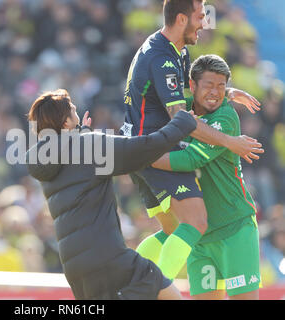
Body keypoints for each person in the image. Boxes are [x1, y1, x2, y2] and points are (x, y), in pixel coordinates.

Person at [121, 0, 263, 280]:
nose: (204, 23)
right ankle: (153, 290)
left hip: (140, 149)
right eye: (200, 17)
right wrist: (229, 141)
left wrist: (226, 91)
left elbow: (187, 91)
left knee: (174, 231)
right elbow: (182, 119)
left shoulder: (174, 50)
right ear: (183, 19)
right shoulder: (162, 58)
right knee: (197, 223)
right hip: (154, 148)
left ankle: (125, 283)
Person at [26, 89, 201, 300]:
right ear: (65, 124)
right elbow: (143, 149)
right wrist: (182, 123)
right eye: (72, 110)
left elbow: (76, 168)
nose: (76, 111)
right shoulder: (88, 144)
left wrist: (81, 135)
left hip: (76, 270)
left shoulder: (47, 160)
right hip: (108, 257)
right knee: (170, 295)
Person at [151, 54, 261, 299]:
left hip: (235, 227)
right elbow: (158, 99)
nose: (216, 92)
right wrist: (230, 90)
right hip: (198, 234)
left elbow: (191, 159)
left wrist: (141, 157)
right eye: (209, 85)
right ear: (192, 86)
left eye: (221, 86)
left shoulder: (226, 117)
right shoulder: (183, 110)